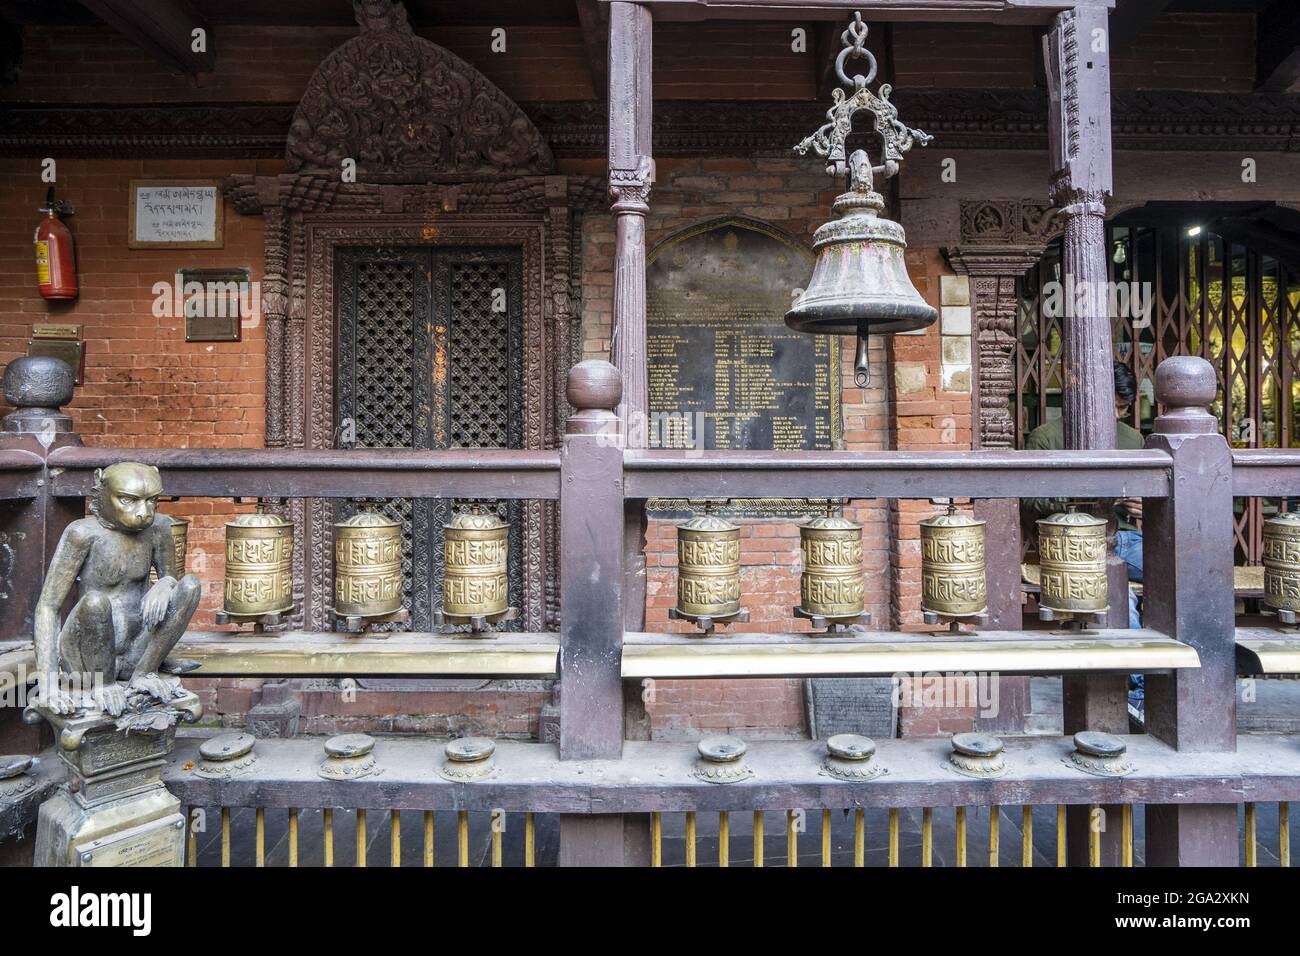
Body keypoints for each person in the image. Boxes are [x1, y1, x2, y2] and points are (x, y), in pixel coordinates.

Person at [1022, 363, 1145, 715]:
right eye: (1113, 404)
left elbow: (1148, 496)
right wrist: (1087, 496)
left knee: (1187, 572)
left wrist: (1144, 506)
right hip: (1069, 544)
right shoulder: (1045, 438)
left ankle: (1187, 676)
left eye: (1123, 408)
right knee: (1121, 598)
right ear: (1088, 396)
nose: (1117, 414)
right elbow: (1030, 502)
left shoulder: (1132, 439)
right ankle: (1135, 693)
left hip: (1124, 537)